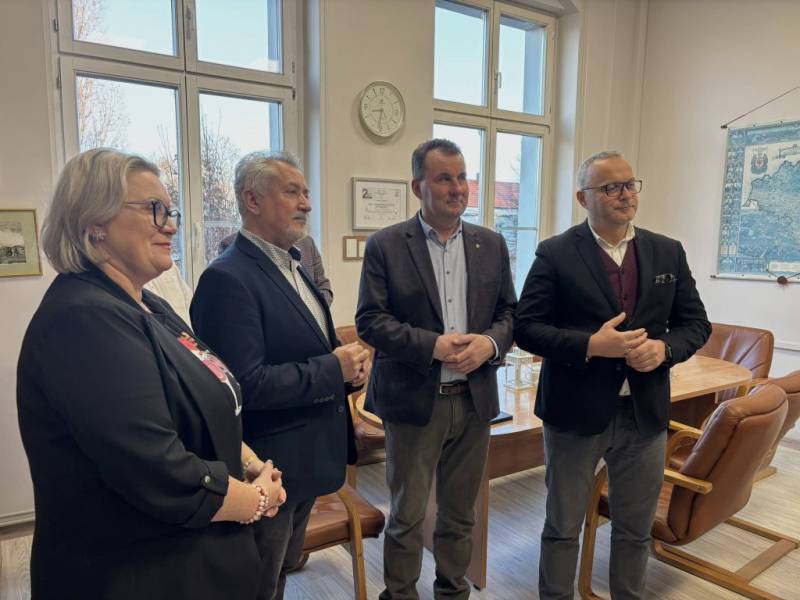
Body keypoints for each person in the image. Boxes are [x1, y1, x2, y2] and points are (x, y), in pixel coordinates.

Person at [17, 148, 285, 600]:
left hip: (190, 560)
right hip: (133, 572)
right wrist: (256, 500)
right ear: (94, 223)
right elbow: (160, 471)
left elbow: (204, 401)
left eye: (170, 211)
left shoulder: (148, 305)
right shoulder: (82, 320)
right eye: (154, 209)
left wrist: (253, 464)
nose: (171, 225)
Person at [514, 150, 711, 599]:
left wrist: (664, 350)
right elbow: (526, 328)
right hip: (574, 414)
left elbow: (696, 324)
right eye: (610, 187)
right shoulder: (555, 253)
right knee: (563, 527)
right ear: (583, 198)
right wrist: (590, 345)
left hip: (644, 415)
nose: (625, 195)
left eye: (629, 184)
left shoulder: (667, 251)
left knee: (634, 531)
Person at [190, 150, 370, 600]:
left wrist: (347, 374)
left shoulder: (295, 265)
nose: (306, 203)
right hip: (265, 471)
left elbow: (308, 349)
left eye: (305, 192)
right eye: (292, 192)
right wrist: (332, 369)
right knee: (257, 586)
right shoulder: (227, 279)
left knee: (282, 572)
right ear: (252, 200)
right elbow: (242, 386)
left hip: (307, 462)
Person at [356, 138, 516, 599]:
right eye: (444, 178)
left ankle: (452, 591)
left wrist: (488, 344)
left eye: (462, 177)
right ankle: (400, 594)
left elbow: (510, 313)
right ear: (418, 187)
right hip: (414, 403)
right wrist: (434, 346)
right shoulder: (387, 245)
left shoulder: (491, 243)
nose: (457, 188)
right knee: (407, 515)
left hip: (474, 400)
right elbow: (371, 320)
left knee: (461, 514)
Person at [219, 233, 333, 305]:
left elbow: (323, 285)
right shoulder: (231, 245)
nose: (306, 206)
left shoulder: (307, 242)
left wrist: (316, 310)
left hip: (313, 331)